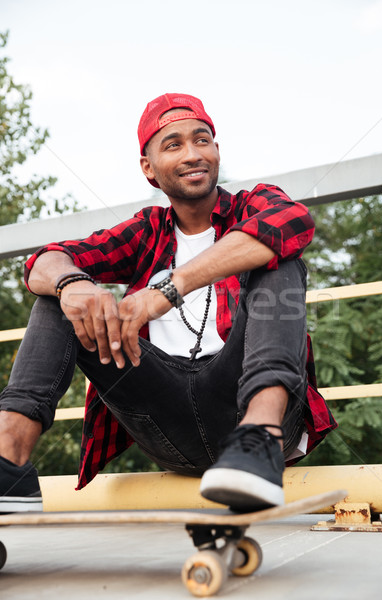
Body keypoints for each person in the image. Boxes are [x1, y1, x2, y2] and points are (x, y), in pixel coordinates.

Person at [0, 93, 337, 514]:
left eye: (202, 140)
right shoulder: (146, 232)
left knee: (278, 259)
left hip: (247, 404)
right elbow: (41, 263)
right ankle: (8, 460)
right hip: (164, 418)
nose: (193, 154)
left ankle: (258, 441)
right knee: (61, 298)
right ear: (149, 168)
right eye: (173, 144)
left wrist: (162, 295)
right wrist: (72, 284)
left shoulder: (255, 204)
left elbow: (292, 222)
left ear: (216, 150)